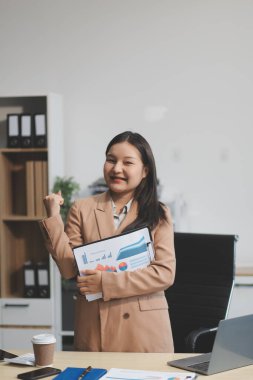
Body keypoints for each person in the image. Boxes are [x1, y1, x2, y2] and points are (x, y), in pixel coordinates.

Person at [39, 131, 176, 352]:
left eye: (127, 162)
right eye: (111, 160)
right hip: (95, 326)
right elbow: (68, 268)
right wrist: (53, 215)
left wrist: (105, 283)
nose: (116, 168)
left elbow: (164, 273)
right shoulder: (82, 208)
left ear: (145, 171)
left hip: (143, 331)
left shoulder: (158, 213)